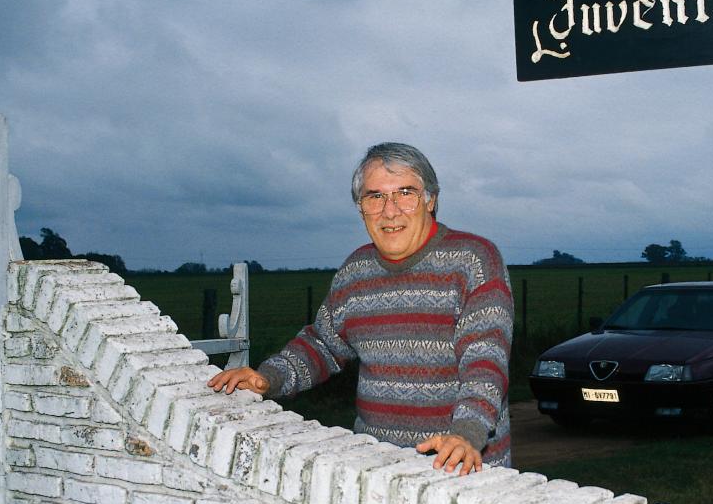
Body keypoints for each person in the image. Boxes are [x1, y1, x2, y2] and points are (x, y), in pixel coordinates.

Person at [207, 142, 513, 475]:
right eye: (375, 196)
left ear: (431, 200)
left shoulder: (475, 260)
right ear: (361, 208)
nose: (390, 210)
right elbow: (322, 345)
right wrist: (267, 377)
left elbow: (485, 361)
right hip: (376, 471)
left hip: (458, 467)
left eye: (406, 193)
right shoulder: (355, 271)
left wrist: (466, 434)